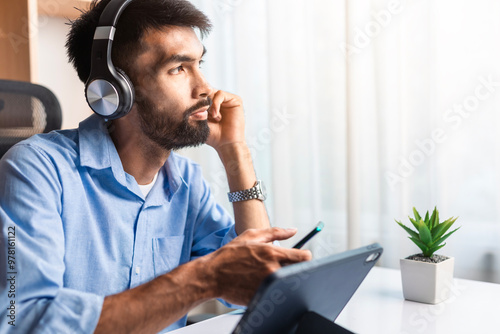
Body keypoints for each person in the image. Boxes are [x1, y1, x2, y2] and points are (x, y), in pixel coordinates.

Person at [0, 0, 311, 333]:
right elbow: (23, 321)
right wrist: (202, 280)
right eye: (178, 68)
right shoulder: (36, 171)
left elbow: (259, 284)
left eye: (199, 64)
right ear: (115, 89)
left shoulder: (186, 182)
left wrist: (235, 152)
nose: (205, 88)